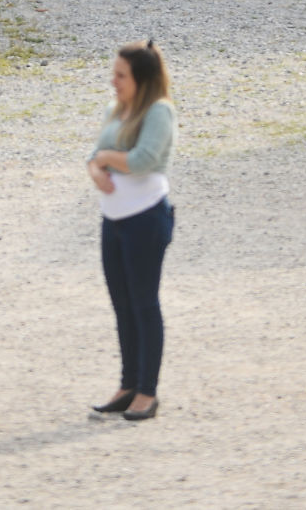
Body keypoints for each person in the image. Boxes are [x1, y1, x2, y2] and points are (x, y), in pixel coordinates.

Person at [87, 40, 177, 423]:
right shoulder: (114, 110)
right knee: (122, 305)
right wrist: (96, 169)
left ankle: (147, 391)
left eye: (121, 75)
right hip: (113, 221)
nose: (114, 81)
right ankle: (127, 384)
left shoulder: (160, 112)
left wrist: (107, 160)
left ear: (141, 79)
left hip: (145, 220)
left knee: (144, 303)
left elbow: (142, 160)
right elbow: (93, 158)